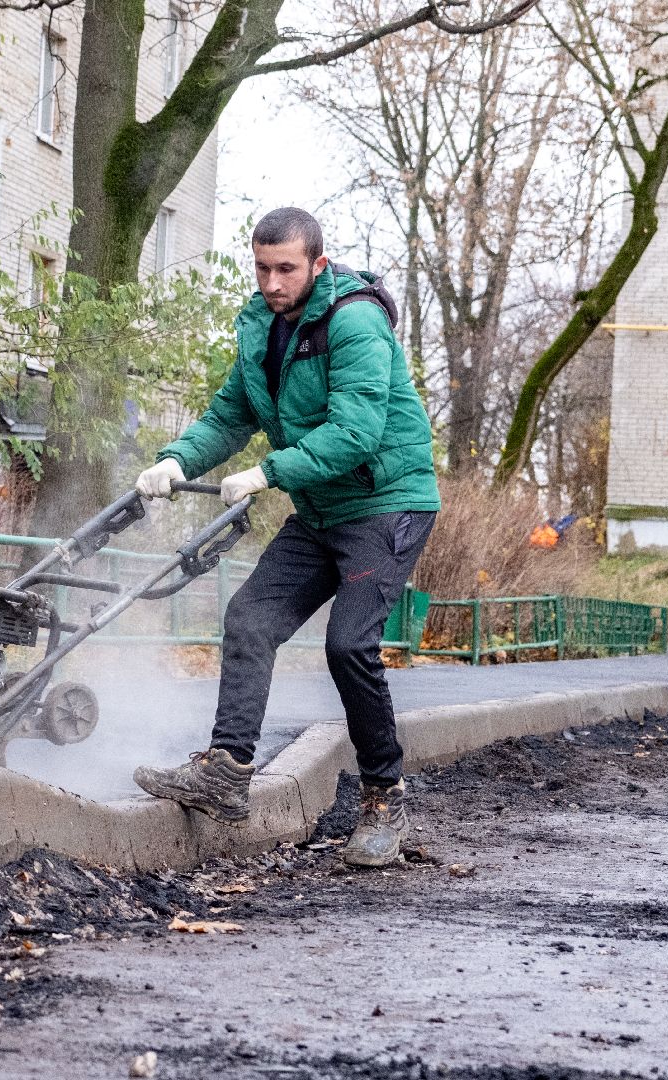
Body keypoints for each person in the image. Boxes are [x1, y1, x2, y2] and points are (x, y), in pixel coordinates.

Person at [131, 207, 441, 868]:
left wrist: (268, 472)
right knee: (250, 618)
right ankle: (226, 774)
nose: (272, 282)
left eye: (286, 269)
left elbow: (356, 431)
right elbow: (231, 413)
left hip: (387, 504)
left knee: (348, 644)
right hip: (323, 507)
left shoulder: (355, 322)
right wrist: (177, 460)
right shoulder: (260, 325)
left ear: (317, 265)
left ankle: (385, 802)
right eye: (263, 267)